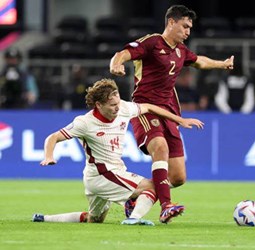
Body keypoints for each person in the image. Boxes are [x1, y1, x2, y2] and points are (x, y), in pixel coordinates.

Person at [109, 5, 234, 223]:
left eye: (190, 28)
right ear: (171, 23)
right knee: (160, 147)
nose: (188, 32)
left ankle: (135, 195)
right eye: (185, 26)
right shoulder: (152, 43)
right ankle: (166, 206)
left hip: (170, 113)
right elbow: (122, 54)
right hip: (145, 109)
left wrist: (222, 64)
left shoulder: (180, 51)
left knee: (177, 177)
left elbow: (200, 62)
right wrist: (116, 65)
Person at [32, 78, 204, 226]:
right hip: (103, 174)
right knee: (155, 186)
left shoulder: (124, 108)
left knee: (94, 219)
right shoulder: (84, 122)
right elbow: (53, 137)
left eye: (119, 103)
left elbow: (150, 108)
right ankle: (133, 218)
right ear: (98, 105)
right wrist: (49, 156)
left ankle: (43, 218)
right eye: (112, 105)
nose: (117, 108)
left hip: (102, 175)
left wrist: (180, 120)